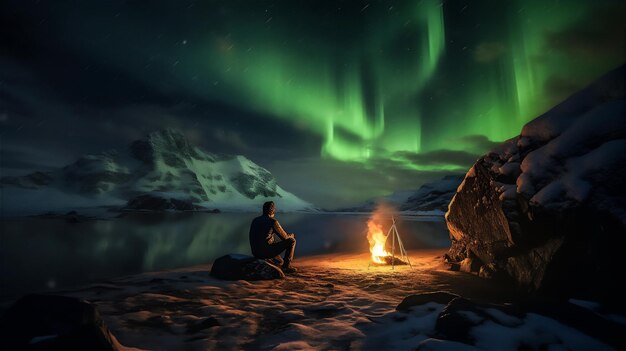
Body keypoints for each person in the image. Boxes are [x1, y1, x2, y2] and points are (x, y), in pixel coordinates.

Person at [249, 201, 298, 274]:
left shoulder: (255, 220)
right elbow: (285, 237)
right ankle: (286, 267)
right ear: (272, 210)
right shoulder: (273, 221)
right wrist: (291, 235)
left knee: (279, 261)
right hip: (265, 252)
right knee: (291, 241)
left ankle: (269, 261)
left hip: (255, 252)